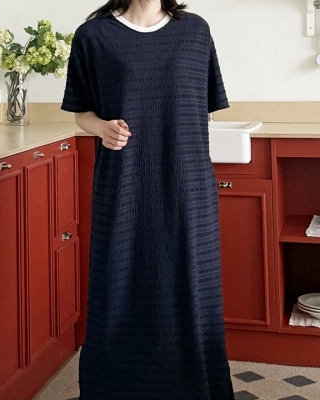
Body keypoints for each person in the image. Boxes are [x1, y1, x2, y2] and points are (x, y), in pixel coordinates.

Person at [61, 0, 235, 398]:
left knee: (191, 290)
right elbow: (81, 112)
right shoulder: (93, 36)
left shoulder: (195, 31)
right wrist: (101, 127)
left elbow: (202, 108)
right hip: (123, 188)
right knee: (120, 288)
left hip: (188, 187)